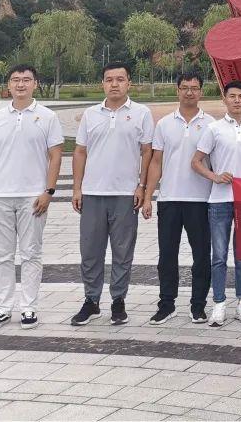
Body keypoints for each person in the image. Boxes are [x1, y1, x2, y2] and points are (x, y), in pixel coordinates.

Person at [0, 64, 64, 330]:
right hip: (0, 196)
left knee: (31, 254)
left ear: (35, 84)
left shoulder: (47, 117)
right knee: (1, 256)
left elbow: (56, 156)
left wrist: (48, 191)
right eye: (15, 80)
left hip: (33, 198)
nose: (21, 84)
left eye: (26, 80)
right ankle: (2, 308)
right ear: (8, 85)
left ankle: (29, 307)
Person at [70, 62, 154, 326]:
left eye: (120, 79)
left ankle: (118, 300)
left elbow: (147, 152)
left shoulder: (141, 113)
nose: (114, 84)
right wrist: (77, 188)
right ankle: (91, 300)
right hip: (93, 193)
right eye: (109, 79)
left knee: (122, 251)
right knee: (90, 251)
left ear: (129, 83)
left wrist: (141, 186)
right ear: (102, 84)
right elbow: (80, 152)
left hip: (125, 194)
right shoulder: (90, 114)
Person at [191, 80, 241, 327]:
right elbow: (196, 162)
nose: (236, 100)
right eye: (232, 96)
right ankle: (219, 302)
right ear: (224, 99)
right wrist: (215, 176)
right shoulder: (214, 129)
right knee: (219, 256)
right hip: (219, 200)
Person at [141, 72, 214, 325]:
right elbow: (156, 162)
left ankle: (198, 305)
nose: (189, 92)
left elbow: (215, 163)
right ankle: (166, 304)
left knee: (201, 256)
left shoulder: (211, 125)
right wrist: (148, 197)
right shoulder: (164, 124)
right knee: (167, 256)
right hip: (169, 198)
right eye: (185, 88)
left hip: (200, 200)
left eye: (194, 88)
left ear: (201, 91)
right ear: (177, 91)